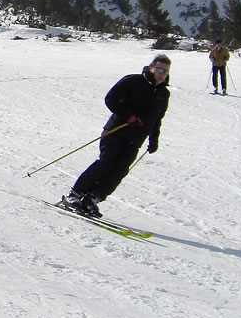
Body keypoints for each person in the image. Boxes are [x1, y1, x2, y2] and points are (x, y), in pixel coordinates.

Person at [61, 54, 171, 218]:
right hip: (116, 131)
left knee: (120, 170)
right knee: (106, 163)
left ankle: (93, 198)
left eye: (166, 71)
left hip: (136, 140)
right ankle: (75, 195)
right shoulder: (133, 81)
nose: (162, 74)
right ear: (151, 68)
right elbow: (111, 99)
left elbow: (157, 119)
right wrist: (129, 115)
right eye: (160, 69)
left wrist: (154, 139)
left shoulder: (163, 94)